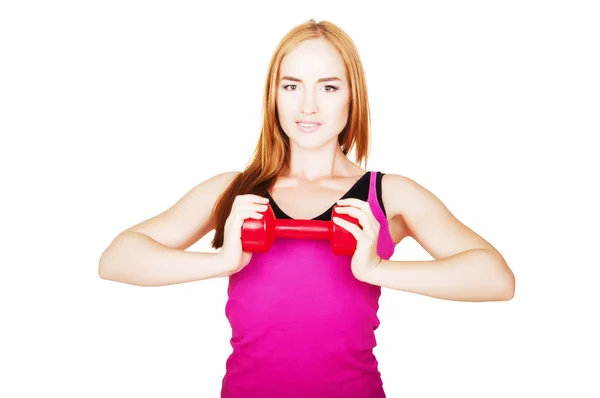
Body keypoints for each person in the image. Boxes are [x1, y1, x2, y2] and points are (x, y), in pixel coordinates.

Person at [99, 19, 515, 398]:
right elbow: (117, 259)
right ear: (273, 96)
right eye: (292, 85)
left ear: (353, 97)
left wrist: (376, 270)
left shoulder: (388, 195)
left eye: (329, 87)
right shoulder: (233, 191)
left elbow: (496, 279)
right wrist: (223, 261)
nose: (308, 106)